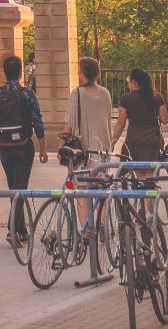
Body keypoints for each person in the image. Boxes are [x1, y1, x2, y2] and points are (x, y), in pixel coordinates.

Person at [0, 56, 48, 245]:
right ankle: (12, 228)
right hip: (23, 146)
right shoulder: (27, 94)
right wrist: (43, 149)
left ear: (5, 72)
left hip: (5, 148)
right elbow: (37, 122)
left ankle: (20, 229)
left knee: (14, 187)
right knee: (20, 188)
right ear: (20, 72)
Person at [63, 57, 113, 223]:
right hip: (102, 150)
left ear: (82, 73)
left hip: (82, 152)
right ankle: (104, 227)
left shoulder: (76, 93)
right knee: (100, 190)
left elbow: (69, 125)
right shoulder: (105, 93)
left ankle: (85, 232)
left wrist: (61, 145)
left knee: (82, 191)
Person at [112, 68, 168, 166]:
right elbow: (164, 120)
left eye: (128, 79)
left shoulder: (125, 99)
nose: (128, 82)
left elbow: (120, 124)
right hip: (153, 141)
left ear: (134, 81)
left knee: (137, 172)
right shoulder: (157, 97)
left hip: (134, 141)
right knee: (152, 171)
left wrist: (113, 142)